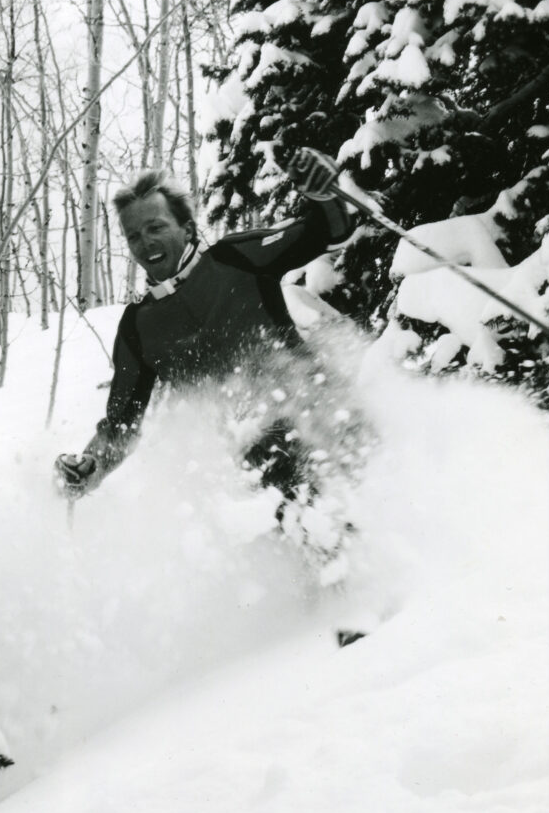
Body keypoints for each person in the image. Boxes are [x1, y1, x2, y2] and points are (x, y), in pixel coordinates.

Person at [54, 149, 357, 541]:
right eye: (134, 235)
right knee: (297, 507)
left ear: (186, 227)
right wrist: (90, 465)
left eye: (156, 227)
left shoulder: (236, 257)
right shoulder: (139, 328)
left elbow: (328, 231)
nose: (145, 243)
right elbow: (120, 427)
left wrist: (323, 194)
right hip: (265, 460)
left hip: (324, 412)